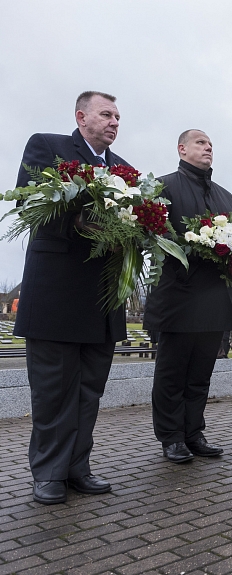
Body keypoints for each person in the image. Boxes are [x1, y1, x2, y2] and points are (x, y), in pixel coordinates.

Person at [14, 91, 128, 504]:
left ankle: (78, 467)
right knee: (53, 390)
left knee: (89, 392)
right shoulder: (47, 146)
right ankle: (48, 472)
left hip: (102, 301)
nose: (115, 121)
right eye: (106, 114)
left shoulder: (126, 171)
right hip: (57, 294)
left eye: (118, 116)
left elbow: (136, 228)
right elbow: (33, 202)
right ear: (81, 117)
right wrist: (94, 218)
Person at [143, 129, 232, 463]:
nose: (208, 147)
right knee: (172, 373)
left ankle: (193, 432)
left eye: (211, 144)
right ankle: (171, 437)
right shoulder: (163, 187)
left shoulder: (225, 197)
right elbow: (154, 239)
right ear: (182, 148)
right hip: (178, 298)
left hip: (215, 299)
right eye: (201, 143)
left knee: (201, 373)